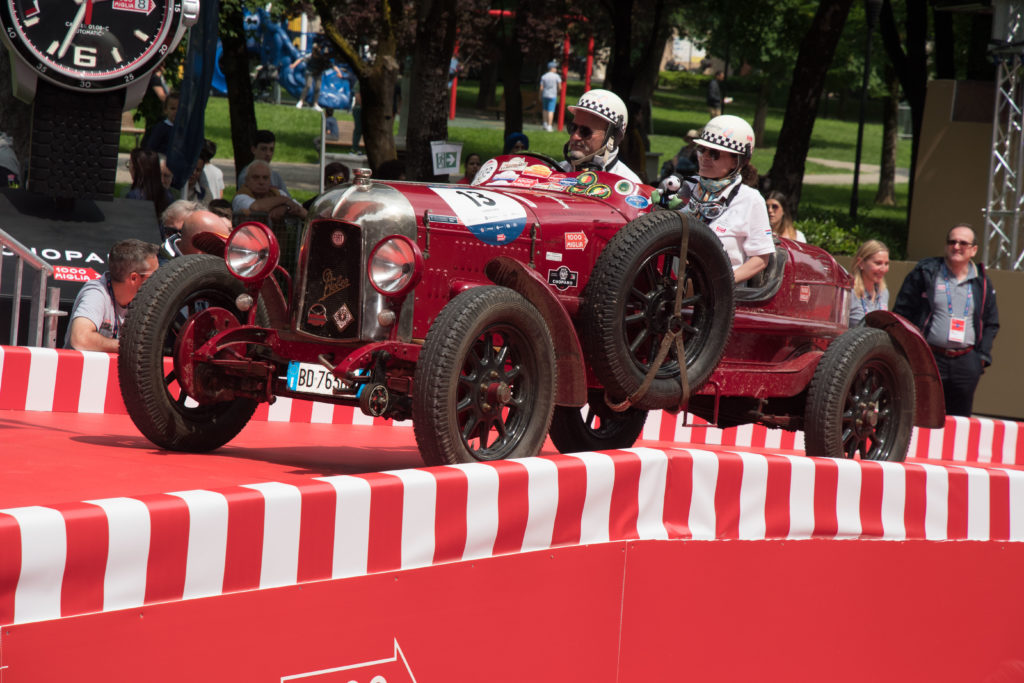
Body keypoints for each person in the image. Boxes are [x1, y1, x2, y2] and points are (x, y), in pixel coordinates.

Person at [892, 224, 999, 416]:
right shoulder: (926, 273)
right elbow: (903, 311)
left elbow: (991, 322)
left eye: (963, 243)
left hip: (966, 361)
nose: (956, 246)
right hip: (930, 356)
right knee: (922, 412)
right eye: (952, 241)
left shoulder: (981, 281)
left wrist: (981, 357)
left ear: (974, 250)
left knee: (959, 419)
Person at [677, 114, 773, 283]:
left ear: (737, 161)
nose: (704, 157)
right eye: (701, 149)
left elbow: (760, 260)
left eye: (714, 153)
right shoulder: (686, 187)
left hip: (719, 297)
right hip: (670, 289)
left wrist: (718, 284)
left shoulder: (751, 199)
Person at [64, 239, 159, 353]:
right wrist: (130, 346)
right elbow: (80, 339)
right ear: (134, 278)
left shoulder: (144, 300)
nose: (159, 279)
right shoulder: (96, 293)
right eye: (155, 275)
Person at [558, 89, 642, 183]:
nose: (575, 137)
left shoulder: (629, 185)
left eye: (585, 131)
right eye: (572, 128)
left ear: (612, 137)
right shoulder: (555, 172)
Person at [232, 159, 307, 222]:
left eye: (265, 178)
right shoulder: (240, 197)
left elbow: (305, 213)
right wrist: (285, 200)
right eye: (256, 177)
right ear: (246, 180)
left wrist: (285, 209)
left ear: (270, 181)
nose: (261, 182)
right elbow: (256, 207)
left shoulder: (278, 193)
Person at [848, 239, 890, 326]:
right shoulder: (849, 292)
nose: (883, 269)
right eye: (878, 263)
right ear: (861, 263)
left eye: (886, 263)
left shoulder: (883, 292)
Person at [125, 148, 173, 220]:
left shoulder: (134, 196)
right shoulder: (168, 195)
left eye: (130, 164)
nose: (129, 169)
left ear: (136, 169)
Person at [237, 130, 289, 195]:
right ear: (253, 150)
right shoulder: (246, 175)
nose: (268, 153)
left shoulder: (275, 176)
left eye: (271, 150)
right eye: (264, 149)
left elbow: (288, 199)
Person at [293, 38, 331, 111]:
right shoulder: (310, 56)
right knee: (308, 85)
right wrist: (294, 65)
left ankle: (315, 104)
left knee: (317, 88)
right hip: (310, 72)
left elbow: (328, 65)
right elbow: (301, 59)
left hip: (318, 72)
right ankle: (301, 101)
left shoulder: (321, 57)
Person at [143, 91, 179, 155]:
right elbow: (151, 148)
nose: (176, 112)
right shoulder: (161, 128)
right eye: (173, 108)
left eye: (179, 109)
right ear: (165, 110)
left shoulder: (185, 129)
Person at [539, 61, 561, 132]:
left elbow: (541, 88)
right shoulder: (557, 76)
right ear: (551, 68)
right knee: (551, 110)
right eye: (555, 67)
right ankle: (549, 125)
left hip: (545, 94)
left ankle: (545, 123)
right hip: (552, 95)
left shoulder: (544, 76)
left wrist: (540, 95)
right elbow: (560, 87)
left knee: (545, 109)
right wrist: (558, 93)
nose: (556, 69)